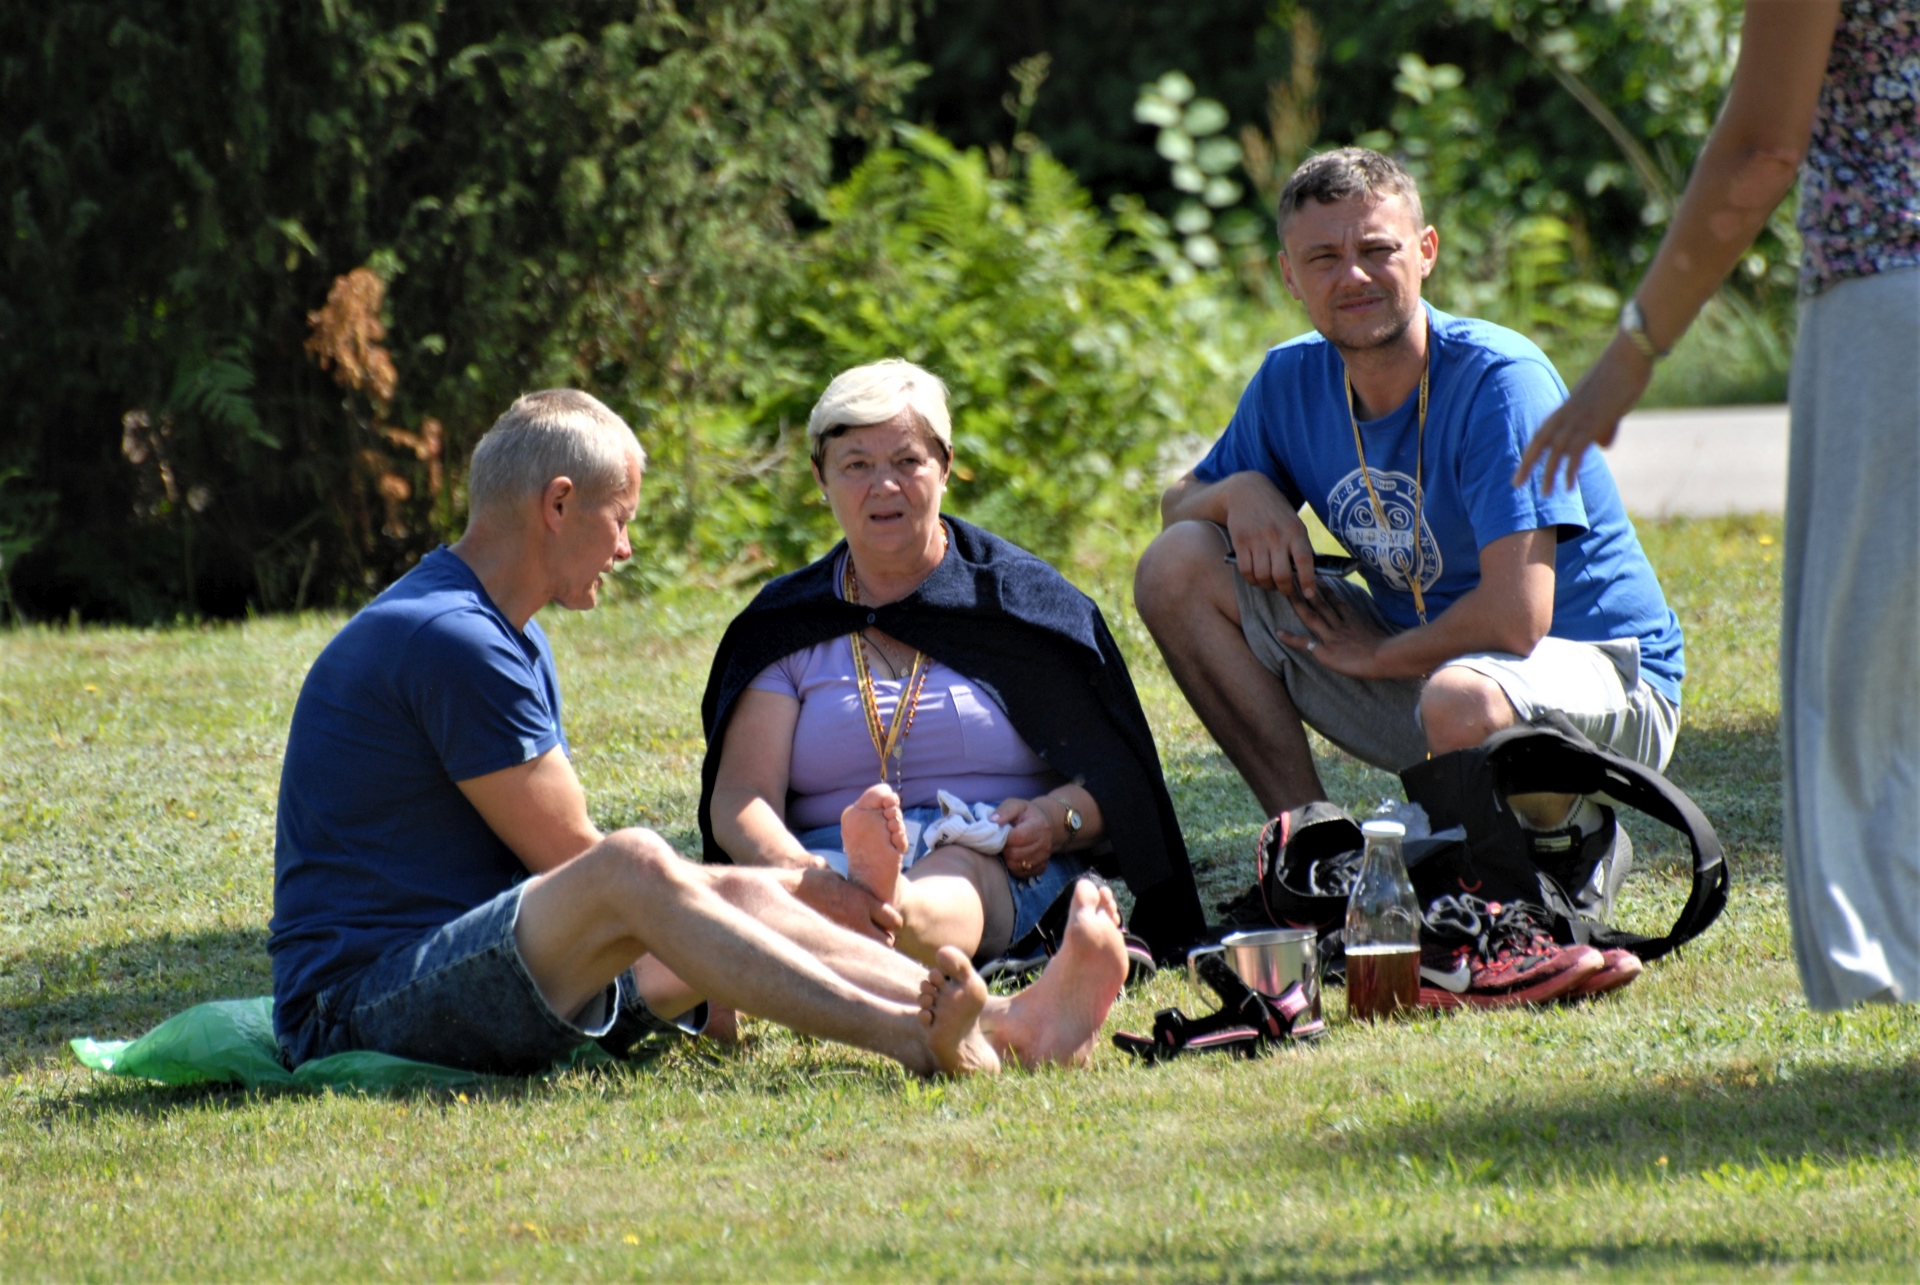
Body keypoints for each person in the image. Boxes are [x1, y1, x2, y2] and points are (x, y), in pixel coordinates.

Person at [267, 389, 1124, 1079]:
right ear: (559, 504)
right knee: (637, 864)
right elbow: (578, 867)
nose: (627, 548)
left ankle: (1012, 1024)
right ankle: (914, 1038)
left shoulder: (504, 632)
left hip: (492, 964)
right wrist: (718, 942)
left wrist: (759, 912)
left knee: (745, 892)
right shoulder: (450, 638)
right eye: (620, 518)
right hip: (357, 1006)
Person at [1133, 149, 1683, 993]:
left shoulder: (1499, 379)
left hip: (1604, 679)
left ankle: (1549, 863)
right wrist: (1238, 491)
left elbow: (1518, 619)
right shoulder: (1290, 379)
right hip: (1437, 677)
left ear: (1425, 252)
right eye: (1323, 257)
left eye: (1376, 249)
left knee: (1458, 696)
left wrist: (1382, 655)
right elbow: (1179, 504)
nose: (1352, 275)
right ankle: (1318, 859)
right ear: (1289, 276)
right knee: (1177, 565)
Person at [1517, 1, 1916, 1010]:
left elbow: (1762, 147)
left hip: (1890, 291)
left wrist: (1634, 350)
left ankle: (1890, 969)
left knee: (1867, 673)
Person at [701, 359, 1207, 972]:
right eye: (856, 465)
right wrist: (799, 872)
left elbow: (1120, 787)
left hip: (980, 856)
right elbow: (742, 795)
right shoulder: (785, 624)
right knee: (700, 915)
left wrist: (1052, 820)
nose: (884, 486)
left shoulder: (1019, 605)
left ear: (944, 466)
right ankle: (839, 913)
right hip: (818, 866)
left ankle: (879, 912)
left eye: (907, 461)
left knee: (952, 873)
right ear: (820, 476)